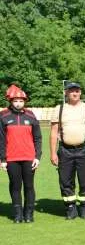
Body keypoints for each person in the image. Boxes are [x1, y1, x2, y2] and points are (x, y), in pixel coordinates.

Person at [50, 81, 85, 219]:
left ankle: (84, 207)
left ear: (80, 92)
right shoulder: (59, 109)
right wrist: (53, 153)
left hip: (84, 149)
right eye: (71, 90)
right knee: (65, 180)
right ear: (66, 92)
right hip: (65, 150)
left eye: (77, 90)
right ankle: (70, 207)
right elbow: (54, 133)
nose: (75, 93)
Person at [0, 85, 42, 223]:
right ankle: (18, 214)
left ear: (25, 101)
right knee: (15, 185)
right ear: (10, 101)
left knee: (29, 186)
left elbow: (37, 138)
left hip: (29, 157)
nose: (18, 103)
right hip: (11, 158)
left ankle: (29, 214)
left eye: (21, 101)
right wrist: (3, 159)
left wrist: (37, 157)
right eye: (15, 101)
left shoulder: (30, 115)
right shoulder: (3, 115)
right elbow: (1, 139)